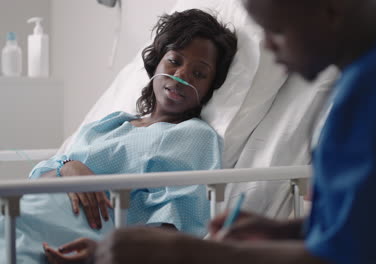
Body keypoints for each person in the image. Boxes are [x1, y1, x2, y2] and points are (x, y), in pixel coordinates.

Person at [92, 0, 376, 264]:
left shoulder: (375, 92)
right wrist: (284, 231)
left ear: (331, 8)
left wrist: (190, 253)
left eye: (276, 30)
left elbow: (350, 257)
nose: (269, 47)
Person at [0, 9, 237, 264]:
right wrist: (70, 167)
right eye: (175, 61)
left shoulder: (195, 136)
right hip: (22, 212)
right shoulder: (111, 123)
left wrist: (102, 255)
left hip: (65, 240)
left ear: (209, 88)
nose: (181, 76)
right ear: (156, 62)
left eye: (199, 74)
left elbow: (174, 228)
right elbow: (40, 177)